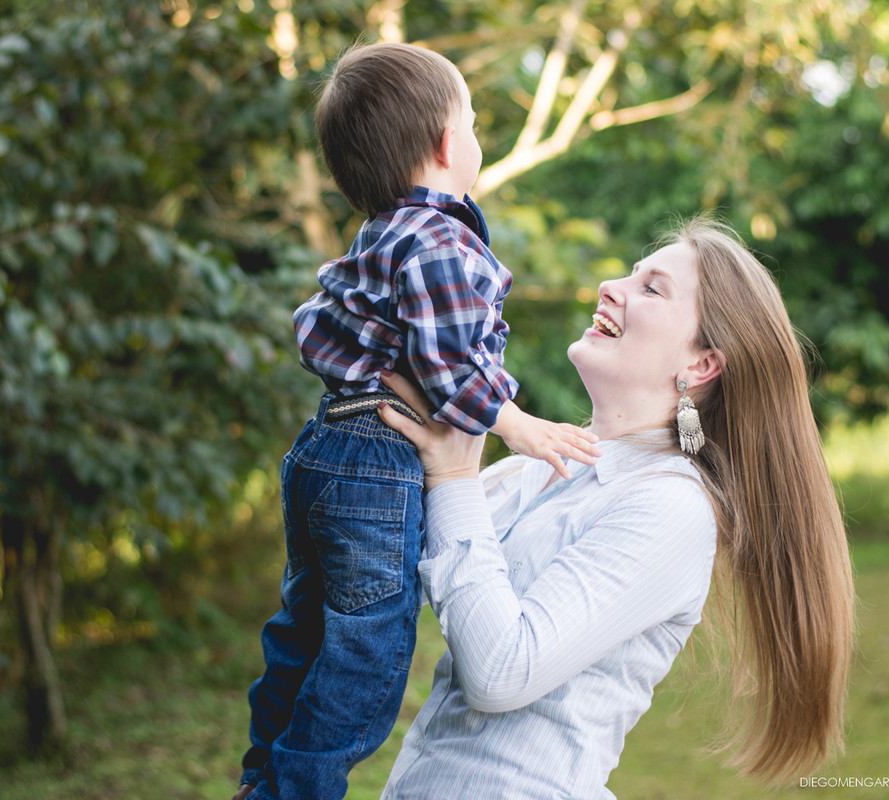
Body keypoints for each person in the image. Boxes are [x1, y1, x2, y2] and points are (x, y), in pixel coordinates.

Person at [374, 216, 856, 798]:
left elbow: (502, 671)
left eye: (651, 288)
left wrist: (453, 475)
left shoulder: (673, 507)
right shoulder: (543, 470)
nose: (612, 287)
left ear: (700, 365)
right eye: (631, 274)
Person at [234, 41, 601, 800]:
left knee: (303, 629)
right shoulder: (439, 242)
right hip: (376, 463)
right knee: (366, 657)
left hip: (328, 447)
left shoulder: (381, 232)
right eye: (471, 121)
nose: (476, 137)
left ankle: (260, 773)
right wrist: (520, 425)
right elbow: (445, 366)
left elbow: (319, 326)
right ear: (445, 143)